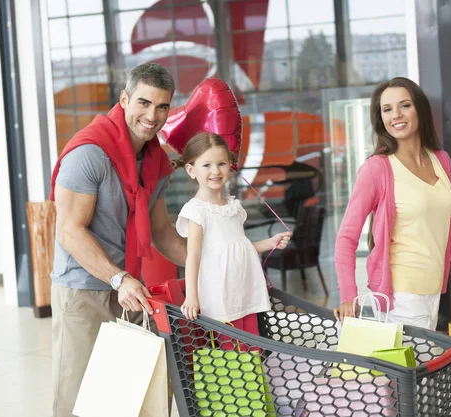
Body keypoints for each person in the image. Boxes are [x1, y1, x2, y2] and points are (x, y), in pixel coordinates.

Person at [49, 63, 187, 417]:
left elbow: (162, 232)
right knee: (78, 400)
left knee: (122, 398)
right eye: (143, 102)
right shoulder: (89, 153)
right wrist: (118, 277)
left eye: (162, 107)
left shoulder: (155, 161)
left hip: (128, 291)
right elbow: (70, 231)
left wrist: (209, 265)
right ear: (124, 99)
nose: (152, 115)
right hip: (83, 291)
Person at [333, 77, 451, 330]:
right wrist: (349, 296)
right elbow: (347, 236)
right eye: (387, 109)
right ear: (381, 118)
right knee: (412, 367)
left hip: (433, 288)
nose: (396, 115)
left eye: (405, 106)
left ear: (420, 110)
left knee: (418, 366)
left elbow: (449, 229)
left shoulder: (441, 160)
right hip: (401, 294)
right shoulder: (376, 169)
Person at [172, 132, 291, 337]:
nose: (215, 171)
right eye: (206, 165)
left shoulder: (233, 206)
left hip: (244, 290)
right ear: (191, 170)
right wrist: (192, 296)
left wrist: (269, 242)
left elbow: (239, 246)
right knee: (233, 352)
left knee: (253, 347)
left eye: (221, 164)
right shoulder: (197, 211)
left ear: (230, 165)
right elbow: (193, 256)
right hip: (221, 296)